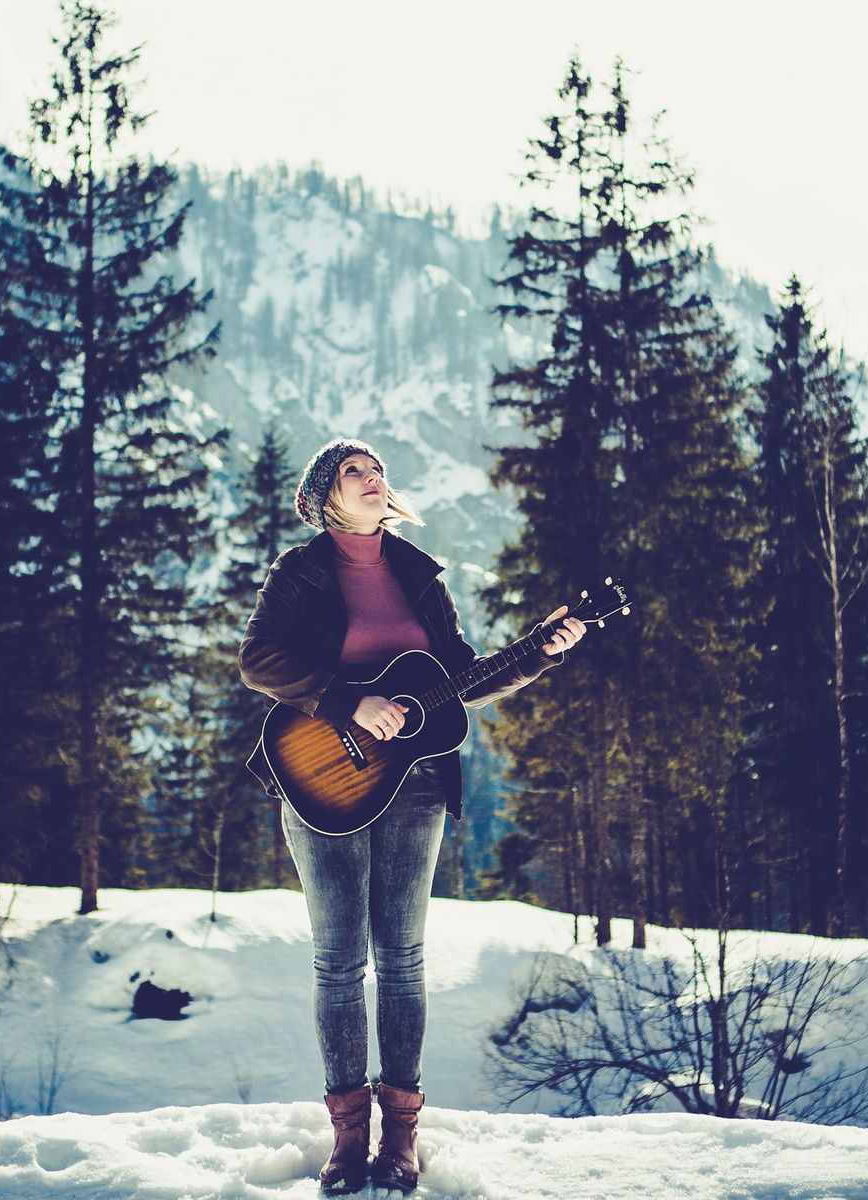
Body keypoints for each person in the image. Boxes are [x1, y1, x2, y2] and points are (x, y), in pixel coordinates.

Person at [237, 438, 585, 1192]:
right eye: (355, 471)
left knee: (402, 959)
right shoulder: (299, 573)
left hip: (417, 782)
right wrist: (345, 701)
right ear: (323, 493)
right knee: (338, 962)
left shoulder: (419, 574)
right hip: (320, 774)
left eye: (379, 471)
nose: (373, 479)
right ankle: (345, 1141)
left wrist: (539, 653)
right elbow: (258, 660)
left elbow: (462, 677)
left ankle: (400, 1141)